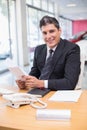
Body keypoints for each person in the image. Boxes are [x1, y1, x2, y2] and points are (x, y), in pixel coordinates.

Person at [16, 15, 80, 91]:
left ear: (59, 31)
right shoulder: (39, 50)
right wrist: (26, 82)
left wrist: (41, 83)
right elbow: (34, 74)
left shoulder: (72, 49)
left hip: (59, 94)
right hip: (39, 93)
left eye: (51, 31)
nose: (48, 36)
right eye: (44, 33)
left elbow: (70, 83)